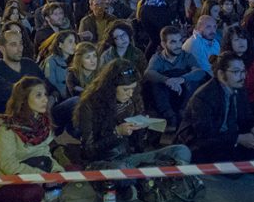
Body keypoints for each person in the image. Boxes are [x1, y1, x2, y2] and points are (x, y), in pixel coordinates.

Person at [75, 59, 191, 190]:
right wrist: (116, 132)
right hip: (104, 162)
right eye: (125, 90)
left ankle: (145, 181)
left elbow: (139, 147)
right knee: (122, 171)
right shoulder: (90, 105)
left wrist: (144, 129)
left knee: (182, 151)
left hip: (128, 158)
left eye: (133, 89)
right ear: (111, 87)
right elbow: (88, 152)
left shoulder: (132, 100)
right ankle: (152, 180)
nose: (130, 94)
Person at [176, 52, 254, 163]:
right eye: (236, 72)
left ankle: (243, 158)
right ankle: (245, 158)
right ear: (221, 74)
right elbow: (205, 134)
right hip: (204, 140)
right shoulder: (204, 97)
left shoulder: (240, 88)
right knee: (216, 153)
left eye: (243, 71)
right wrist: (238, 139)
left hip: (230, 135)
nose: (243, 76)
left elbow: (247, 117)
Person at [0, 77, 64, 202]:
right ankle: (41, 197)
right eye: (38, 95)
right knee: (32, 191)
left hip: (36, 170)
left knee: (69, 172)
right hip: (6, 181)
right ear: (24, 98)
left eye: (45, 94)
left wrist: (56, 171)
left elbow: (44, 153)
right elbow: (8, 164)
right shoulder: (7, 127)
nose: (45, 100)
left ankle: (41, 197)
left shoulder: (43, 122)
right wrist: (42, 177)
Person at [144, 26, 205, 129]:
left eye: (179, 41)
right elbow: (148, 73)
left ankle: (184, 114)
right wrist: (167, 80)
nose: (178, 45)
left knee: (194, 80)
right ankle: (170, 117)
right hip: (166, 95)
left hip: (184, 94)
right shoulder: (158, 58)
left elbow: (199, 72)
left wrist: (182, 79)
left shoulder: (186, 56)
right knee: (155, 82)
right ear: (163, 44)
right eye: (173, 42)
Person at [222, 26, 254, 123]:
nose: (241, 42)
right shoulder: (224, 60)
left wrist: (246, 101)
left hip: (251, 100)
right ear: (229, 43)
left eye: (244, 39)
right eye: (236, 39)